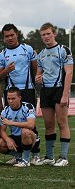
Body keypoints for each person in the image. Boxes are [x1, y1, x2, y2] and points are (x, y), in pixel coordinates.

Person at [0, 24, 40, 164]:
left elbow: (36, 69)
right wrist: (6, 70)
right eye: (6, 36)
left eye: (11, 35)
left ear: (17, 34)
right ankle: (18, 155)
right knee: (13, 121)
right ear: (3, 38)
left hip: (27, 90)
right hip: (10, 92)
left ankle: (35, 155)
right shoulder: (2, 54)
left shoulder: (28, 49)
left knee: (30, 124)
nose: (9, 38)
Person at [35, 23, 73, 167]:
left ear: (54, 34)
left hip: (59, 89)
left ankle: (63, 157)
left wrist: (65, 95)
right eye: (43, 35)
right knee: (48, 124)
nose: (46, 37)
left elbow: (69, 72)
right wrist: (37, 78)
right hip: (45, 91)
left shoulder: (64, 50)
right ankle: (49, 157)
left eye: (48, 34)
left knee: (62, 123)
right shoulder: (41, 54)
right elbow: (38, 75)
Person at [0, 87, 36, 167]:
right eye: (8, 99)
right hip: (15, 138)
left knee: (25, 131)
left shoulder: (28, 107)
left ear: (20, 98)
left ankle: (26, 160)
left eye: (13, 98)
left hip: (30, 138)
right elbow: (2, 130)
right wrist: (7, 139)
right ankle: (18, 156)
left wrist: (11, 123)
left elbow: (31, 125)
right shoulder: (5, 110)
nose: (10, 101)